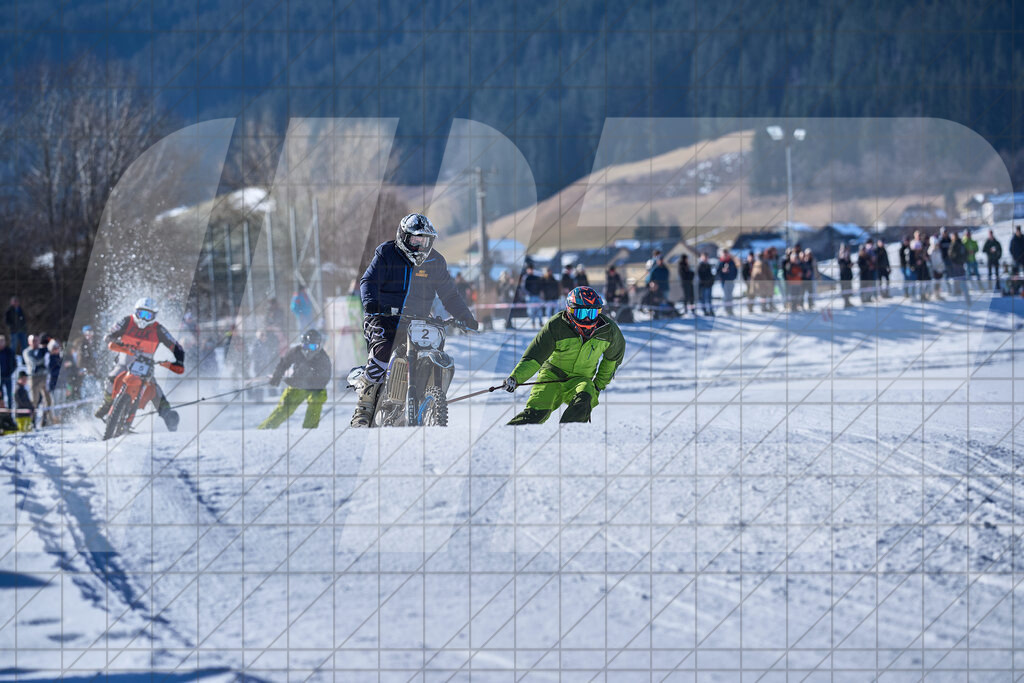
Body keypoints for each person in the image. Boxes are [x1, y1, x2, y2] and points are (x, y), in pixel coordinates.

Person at [351, 213, 478, 427]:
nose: (420, 245)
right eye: (415, 239)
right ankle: (364, 407)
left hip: (418, 320)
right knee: (382, 351)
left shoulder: (436, 261)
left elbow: (449, 294)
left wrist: (465, 317)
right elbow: (368, 280)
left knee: (436, 349)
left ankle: (427, 396)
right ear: (404, 236)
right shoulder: (386, 253)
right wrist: (371, 303)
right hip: (384, 317)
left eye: (425, 240)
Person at [504, 286, 625, 425]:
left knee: (584, 398)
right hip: (551, 376)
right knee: (536, 413)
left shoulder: (609, 331)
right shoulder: (556, 325)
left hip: (581, 379)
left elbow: (612, 361)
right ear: (570, 311)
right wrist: (515, 377)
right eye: (581, 313)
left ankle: (571, 434)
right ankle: (510, 434)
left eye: (592, 314)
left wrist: (597, 386)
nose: (586, 319)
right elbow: (534, 357)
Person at [93, 297, 186, 431]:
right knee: (111, 378)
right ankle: (107, 404)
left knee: (153, 388)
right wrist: (115, 342)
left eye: (148, 315)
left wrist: (178, 361)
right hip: (125, 359)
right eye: (141, 314)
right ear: (135, 312)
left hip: (145, 363)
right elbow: (109, 334)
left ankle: (167, 413)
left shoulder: (159, 329)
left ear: (154, 316)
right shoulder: (126, 321)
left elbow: (176, 346)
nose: (144, 318)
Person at [258, 330, 332, 429]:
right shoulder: (296, 351)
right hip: (298, 386)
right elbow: (283, 364)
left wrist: (308, 380)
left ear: (318, 346)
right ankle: (265, 429)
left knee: (316, 401)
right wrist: (277, 376)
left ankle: (309, 429)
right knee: (284, 408)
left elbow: (325, 378)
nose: (308, 350)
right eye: (306, 346)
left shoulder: (323, 358)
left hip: (316, 388)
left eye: (312, 347)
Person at [22, 335, 53, 426]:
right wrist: (44, 359)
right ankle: (33, 420)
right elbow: (34, 362)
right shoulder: (27, 352)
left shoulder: (43, 350)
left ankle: (45, 420)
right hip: (33, 377)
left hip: (44, 376)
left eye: (37, 340)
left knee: (48, 399)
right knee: (34, 400)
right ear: (29, 342)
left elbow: (49, 360)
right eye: (33, 340)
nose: (35, 342)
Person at [717, 250, 738, 316]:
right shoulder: (720, 262)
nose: (725, 255)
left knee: (730, 296)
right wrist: (722, 272)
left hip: (731, 281)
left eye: (726, 254)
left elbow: (735, 270)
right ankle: (726, 310)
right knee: (726, 296)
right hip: (724, 281)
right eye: (724, 254)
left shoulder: (731, 262)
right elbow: (718, 272)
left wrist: (733, 277)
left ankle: (730, 309)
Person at [0, 335, 15, 410]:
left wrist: (10, 372)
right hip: (0, 377)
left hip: (8, 376)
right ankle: (2, 412)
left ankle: (9, 411)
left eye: (2, 342)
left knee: (9, 395)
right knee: (1, 396)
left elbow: (14, 364)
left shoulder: (9, 351)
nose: (1, 343)